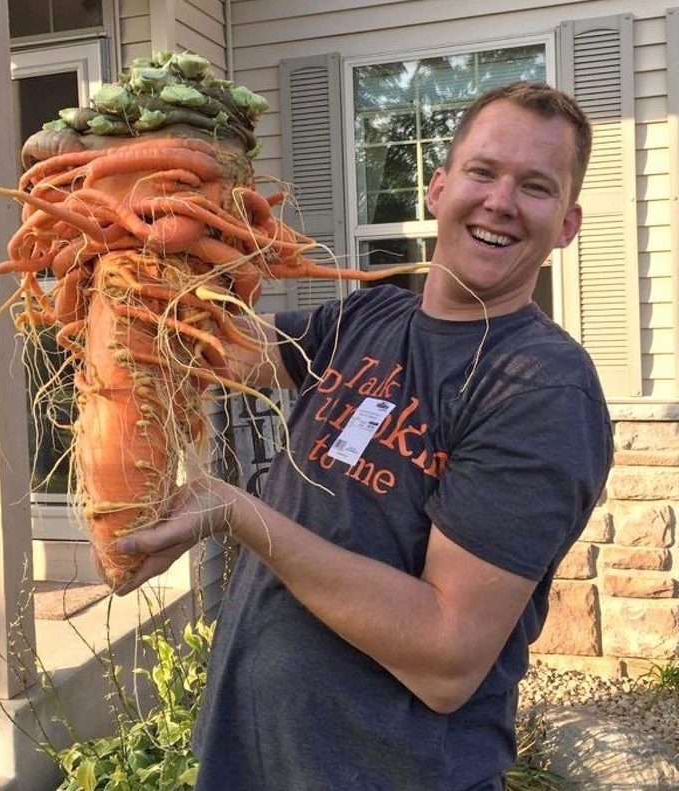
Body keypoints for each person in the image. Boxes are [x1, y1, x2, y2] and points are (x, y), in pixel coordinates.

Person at [109, 81, 614, 790]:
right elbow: (216, 347)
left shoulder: (537, 388)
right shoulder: (373, 316)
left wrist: (236, 512)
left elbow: (446, 653)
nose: (501, 201)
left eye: (536, 186)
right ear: (438, 189)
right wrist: (138, 237)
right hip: (251, 759)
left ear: (567, 224)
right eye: (483, 171)